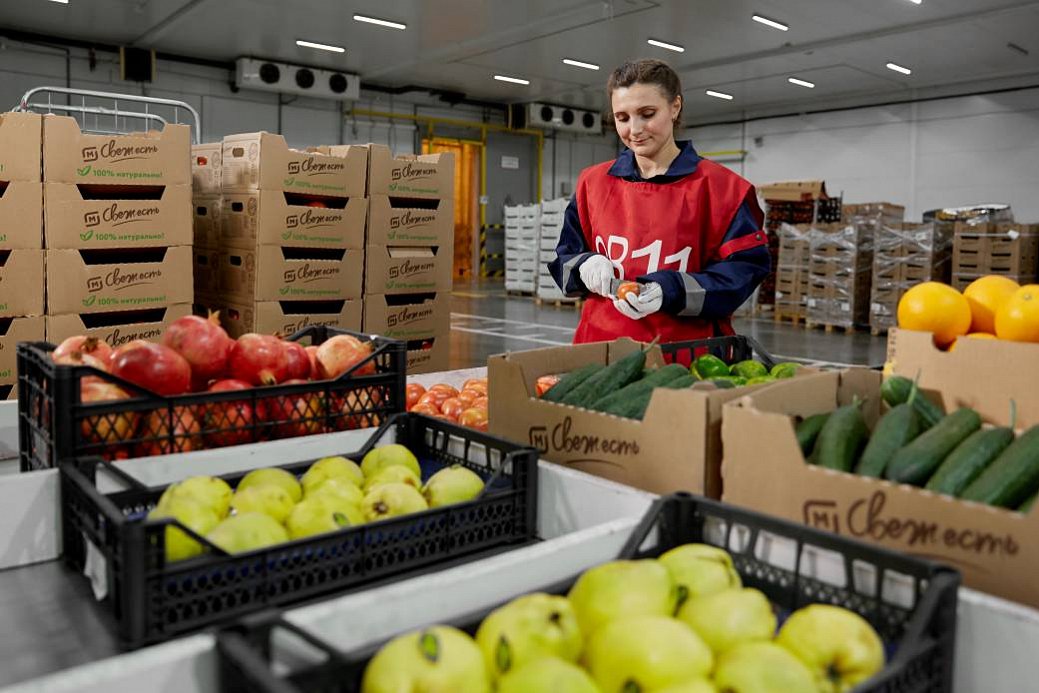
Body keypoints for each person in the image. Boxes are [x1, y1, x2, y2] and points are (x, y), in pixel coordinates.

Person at [549, 59, 770, 344]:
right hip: (599, 349)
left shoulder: (723, 189)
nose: (635, 129)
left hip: (686, 354)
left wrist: (672, 290)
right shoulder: (592, 184)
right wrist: (583, 265)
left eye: (647, 113)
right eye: (622, 118)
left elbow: (744, 270)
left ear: (675, 107)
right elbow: (565, 258)